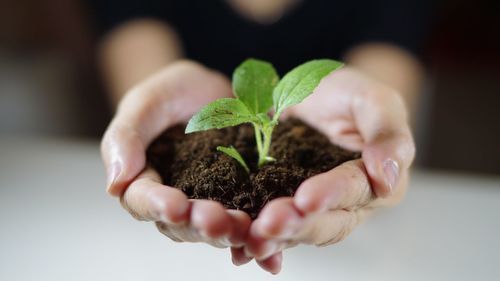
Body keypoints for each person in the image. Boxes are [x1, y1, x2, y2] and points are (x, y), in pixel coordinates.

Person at [94, 0, 428, 274]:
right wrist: (160, 120)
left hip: (359, 262)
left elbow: (386, 65)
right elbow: (138, 49)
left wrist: (377, 140)